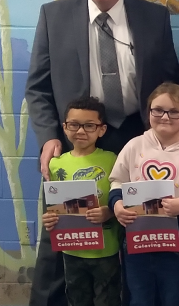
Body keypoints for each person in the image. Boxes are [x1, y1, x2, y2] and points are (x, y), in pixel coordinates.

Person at [25, 0, 179, 306]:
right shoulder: (54, 15)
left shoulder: (153, 17)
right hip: (77, 140)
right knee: (61, 232)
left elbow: (170, 81)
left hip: (136, 136)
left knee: (134, 226)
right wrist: (49, 136)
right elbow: (37, 87)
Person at [108, 82, 179, 306]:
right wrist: (117, 205)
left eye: (173, 112)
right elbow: (116, 181)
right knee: (139, 299)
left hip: (175, 247)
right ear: (148, 112)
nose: (165, 117)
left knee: (173, 299)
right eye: (157, 110)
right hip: (137, 245)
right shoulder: (134, 146)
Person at [41, 97, 121, 306]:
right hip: (71, 250)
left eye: (89, 125)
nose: (81, 131)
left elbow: (124, 198)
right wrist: (49, 219)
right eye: (74, 125)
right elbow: (53, 207)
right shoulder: (55, 164)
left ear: (101, 130)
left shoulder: (113, 159)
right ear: (65, 128)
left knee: (108, 300)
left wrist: (109, 212)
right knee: (77, 299)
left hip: (106, 249)